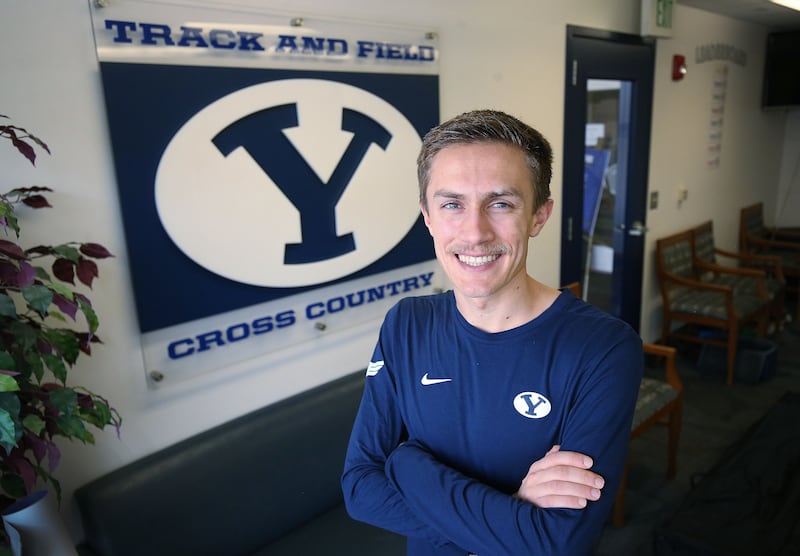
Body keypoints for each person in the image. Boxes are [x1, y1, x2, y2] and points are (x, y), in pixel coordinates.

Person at [341, 109, 643, 555]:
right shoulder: (406, 323)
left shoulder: (603, 348)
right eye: (452, 204)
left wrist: (406, 463)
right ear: (427, 216)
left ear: (539, 216)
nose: (475, 232)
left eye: (500, 203)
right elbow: (360, 488)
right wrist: (509, 518)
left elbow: (558, 542)